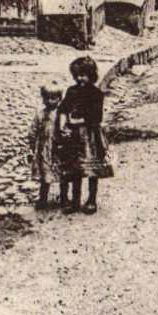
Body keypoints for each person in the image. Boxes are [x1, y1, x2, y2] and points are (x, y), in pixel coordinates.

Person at [58, 54, 114, 214]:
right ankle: (75, 200)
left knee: (91, 170)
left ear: (91, 75)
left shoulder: (96, 93)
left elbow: (97, 117)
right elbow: (63, 108)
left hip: (90, 136)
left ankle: (91, 200)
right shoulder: (72, 91)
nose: (80, 78)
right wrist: (63, 123)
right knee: (76, 169)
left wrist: (80, 120)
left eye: (84, 75)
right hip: (74, 137)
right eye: (77, 75)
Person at [28, 79, 67, 210]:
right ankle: (43, 198)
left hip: (59, 148)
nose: (50, 101)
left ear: (59, 99)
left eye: (54, 98)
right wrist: (33, 145)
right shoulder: (40, 115)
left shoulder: (62, 114)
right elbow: (33, 130)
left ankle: (64, 197)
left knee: (62, 173)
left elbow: (67, 128)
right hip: (44, 148)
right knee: (45, 174)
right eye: (47, 98)